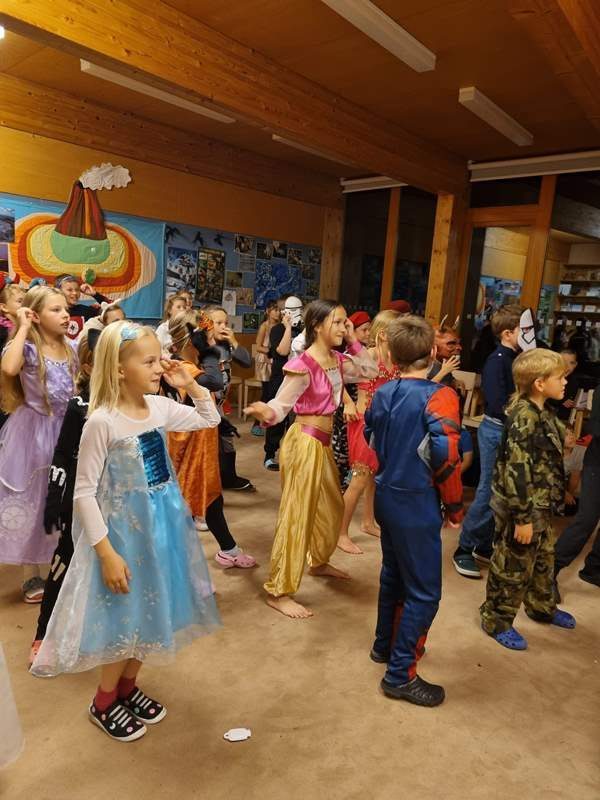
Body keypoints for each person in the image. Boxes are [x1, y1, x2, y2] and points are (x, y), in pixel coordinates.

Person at [30, 322, 222, 742]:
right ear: (119, 369)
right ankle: (103, 701)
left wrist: (189, 383)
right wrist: (105, 553)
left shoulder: (158, 406)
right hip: (123, 537)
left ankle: (127, 688)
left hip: (163, 530)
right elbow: (83, 493)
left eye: (159, 359)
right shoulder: (102, 421)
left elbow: (210, 418)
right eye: (149, 361)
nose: (158, 367)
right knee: (125, 618)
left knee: (154, 612)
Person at [245, 300, 378, 618]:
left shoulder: (338, 360)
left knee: (332, 508)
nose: (344, 328)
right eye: (338, 322)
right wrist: (266, 412)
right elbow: (280, 406)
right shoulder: (302, 365)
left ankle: (317, 562)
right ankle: (278, 591)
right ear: (317, 326)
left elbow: (370, 370)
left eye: (346, 322)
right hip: (304, 444)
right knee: (297, 517)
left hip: (322, 445)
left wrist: (353, 339)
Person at [366, 315, 463, 707]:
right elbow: (447, 456)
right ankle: (399, 675)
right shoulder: (441, 395)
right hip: (415, 500)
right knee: (424, 592)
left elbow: (371, 434)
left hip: (386, 494)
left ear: (391, 355)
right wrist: (454, 506)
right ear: (434, 351)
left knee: (393, 574)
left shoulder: (383, 391)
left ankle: (385, 646)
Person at [480, 349, 575, 650]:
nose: (565, 382)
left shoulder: (542, 411)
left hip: (542, 504)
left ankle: (541, 606)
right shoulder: (524, 418)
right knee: (513, 565)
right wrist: (521, 519)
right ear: (539, 383)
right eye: (560, 377)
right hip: (523, 507)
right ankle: (496, 619)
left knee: (544, 559)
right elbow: (516, 472)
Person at [0, 287, 77, 602]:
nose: (65, 315)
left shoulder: (71, 348)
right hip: (33, 436)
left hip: (66, 433)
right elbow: (9, 368)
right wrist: (22, 327)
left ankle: (62, 564)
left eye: (65, 309)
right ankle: (30, 574)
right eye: (55, 310)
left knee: (64, 500)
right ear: (36, 315)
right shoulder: (28, 349)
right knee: (33, 501)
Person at [166, 311, 256, 568]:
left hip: (201, 442)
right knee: (187, 501)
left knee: (211, 497)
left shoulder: (189, 364)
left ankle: (228, 549)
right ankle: (176, 561)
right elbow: (213, 382)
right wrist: (209, 353)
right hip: (188, 446)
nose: (210, 340)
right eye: (205, 337)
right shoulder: (182, 367)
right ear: (192, 341)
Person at [29, 331, 99, 664]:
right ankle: (43, 632)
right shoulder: (80, 407)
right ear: (89, 367)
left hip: (117, 501)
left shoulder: (134, 405)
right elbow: (62, 453)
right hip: (81, 498)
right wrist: (55, 497)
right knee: (66, 559)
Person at [453, 304, 522, 579]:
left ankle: (483, 544)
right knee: (488, 491)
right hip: (495, 430)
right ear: (507, 333)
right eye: (523, 330)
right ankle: (464, 548)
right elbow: (497, 402)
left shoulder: (515, 357)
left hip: (508, 430)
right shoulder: (497, 360)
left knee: (500, 492)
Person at [338, 310, 400, 555]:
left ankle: (367, 522)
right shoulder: (369, 355)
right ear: (383, 334)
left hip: (385, 424)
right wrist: (347, 402)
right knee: (359, 479)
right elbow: (334, 375)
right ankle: (340, 533)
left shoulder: (395, 358)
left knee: (374, 476)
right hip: (365, 422)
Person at [554, 386, 600, 594]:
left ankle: (594, 569)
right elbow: (595, 428)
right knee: (587, 518)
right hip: (597, 462)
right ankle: (549, 570)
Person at [205, 305, 254, 491]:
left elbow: (246, 362)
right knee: (208, 445)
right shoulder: (201, 346)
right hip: (205, 405)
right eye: (218, 323)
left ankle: (229, 478)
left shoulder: (226, 345)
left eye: (226, 323)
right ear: (207, 324)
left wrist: (234, 341)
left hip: (219, 404)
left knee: (226, 440)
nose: (224, 326)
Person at [263, 295, 304, 471]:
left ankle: (292, 455)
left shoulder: (303, 330)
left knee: (295, 421)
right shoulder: (277, 330)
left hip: (299, 380)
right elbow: (283, 350)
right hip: (280, 379)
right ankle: (270, 454)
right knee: (277, 418)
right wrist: (287, 328)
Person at [331, 310, 370, 488]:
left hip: (358, 405)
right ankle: (338, 480)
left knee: (352, 443)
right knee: (343, 442)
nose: (368, 333)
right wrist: (348, 402)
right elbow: (337, 382)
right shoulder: (347, 355)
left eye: (369, 329)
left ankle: (345, 478)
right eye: (364, 330)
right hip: (347, 404)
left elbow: (371, 371)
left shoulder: (363, 353)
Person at [252, 301, 281, 436]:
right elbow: (258, 347)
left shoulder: (281, 327)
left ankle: (269, 421)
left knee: (274, 393)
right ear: (268, 311)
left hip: (276, 361)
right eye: (275, 310)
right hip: (264, 361)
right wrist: (271, 352)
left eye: (279, 310)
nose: (278, 313)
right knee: (267, 393)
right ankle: (256, 423)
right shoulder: (264, 326)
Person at [55, 274, 111, 340]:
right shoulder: (52, 313)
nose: (75, 293)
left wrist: (95, 294)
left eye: (77, 289)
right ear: (58, 291)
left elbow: (113, 312)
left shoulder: (85, 311)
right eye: (70, 290)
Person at [562, 424, 585, 515]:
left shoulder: (580, 451)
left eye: (572, 433)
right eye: (566, 434)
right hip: (555, 488)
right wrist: (563, 493)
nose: (572, 436)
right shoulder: (550, 452)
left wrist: (569, 495)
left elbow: (575, 477)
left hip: (574, 490)